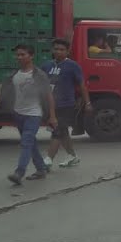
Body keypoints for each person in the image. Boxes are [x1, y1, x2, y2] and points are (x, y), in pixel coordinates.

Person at [0, 43, 57, 185]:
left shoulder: (39, 75)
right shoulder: (14, 75)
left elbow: (49, 96)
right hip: (18, 114)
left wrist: (52, 116)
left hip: (34, 114)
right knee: (31, 143)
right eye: (18, 55)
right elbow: (3, 92)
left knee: (26, 142)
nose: (19, 57)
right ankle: (41, 169)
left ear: (31, 56)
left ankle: (19, 172)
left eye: (23, 54)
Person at [42, 38, 91, 168]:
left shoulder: (73, 66)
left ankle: (48, 159)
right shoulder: (46, 65)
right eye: (56, 49)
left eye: (62, 49)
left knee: (58, 130)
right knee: (63, 132)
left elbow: (82, 85)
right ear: (52, 50)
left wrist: (87, 103)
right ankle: (72, 156)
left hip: (67, 104)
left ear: (67, 51)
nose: (58, 52)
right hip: (51, 105)